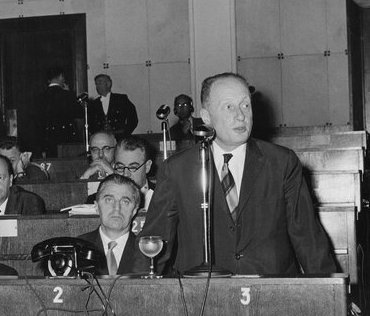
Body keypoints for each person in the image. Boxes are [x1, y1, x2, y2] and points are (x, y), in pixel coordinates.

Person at [136, 72, 335, 276]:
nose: (241, 115)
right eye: (229, 106)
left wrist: (332, 295)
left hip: (270, 293)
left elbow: (307, 237)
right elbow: (155, 240)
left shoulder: (281, 162)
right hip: (201, 297)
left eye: (245, 105)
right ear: (206, 117)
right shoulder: (178, 168)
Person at [78, 174, 140, 276]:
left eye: (125, 201)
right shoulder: (78, 248)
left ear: (134, 210)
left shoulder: (147, 252)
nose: (116, 208)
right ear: (97, 206)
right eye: (109, 200)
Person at [34, 66, 82, 157]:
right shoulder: (67, 95)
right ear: (60, 76)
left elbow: (37, 123)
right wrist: (69, 94)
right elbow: (79, 113)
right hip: (67, 140)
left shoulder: (40, 97)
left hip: (48, 140)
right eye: (63, 77)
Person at [88, 74, 138, 139]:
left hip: (119, 137)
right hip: (102, 139)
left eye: (100, 83)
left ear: (108, 84)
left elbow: (133, 119)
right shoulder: (94, 103)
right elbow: (91, 123)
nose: (97, 86)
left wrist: (125, 133)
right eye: (96, 84)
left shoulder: (121, 99)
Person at [113, 137, 154, 211]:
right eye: (120, 167)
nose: (125, 174)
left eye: (132, 167)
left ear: (147, 166)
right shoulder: (99, 199)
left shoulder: (164, 198)